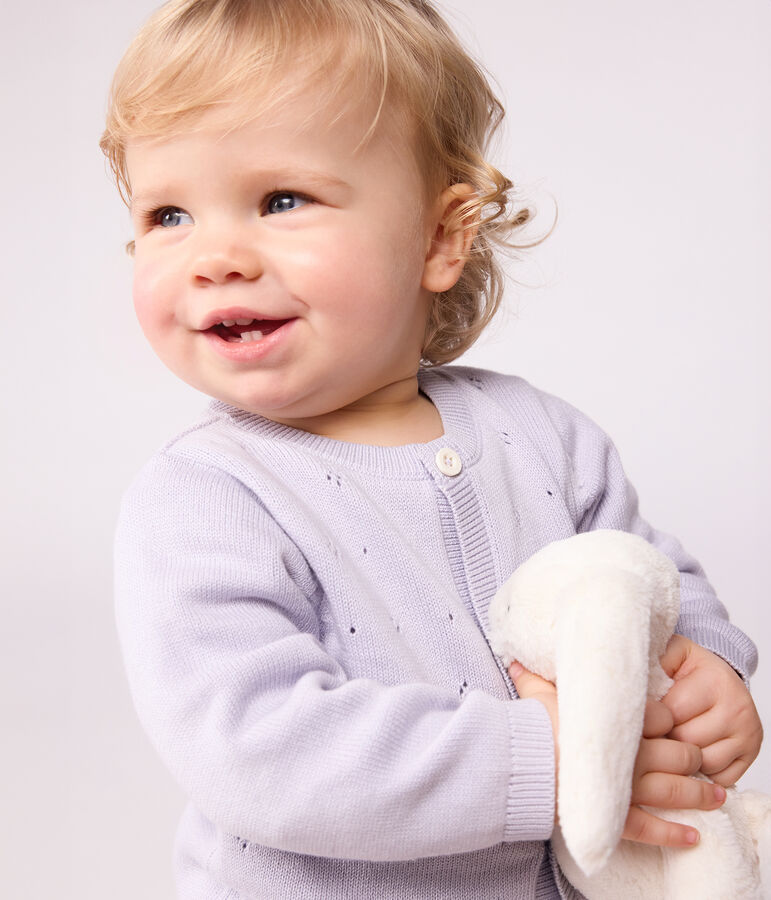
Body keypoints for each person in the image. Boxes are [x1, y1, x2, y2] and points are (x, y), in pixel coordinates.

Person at [102, 1, 763, 897]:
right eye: (168, 214)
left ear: (440, 235)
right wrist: (554, 754)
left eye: (280, 200)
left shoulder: (543, 437)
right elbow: (261, 750)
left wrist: (705, 666)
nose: (215, 255)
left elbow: (643, 582)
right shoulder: (203, 499)